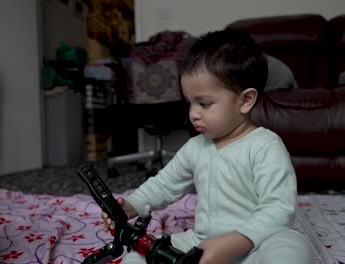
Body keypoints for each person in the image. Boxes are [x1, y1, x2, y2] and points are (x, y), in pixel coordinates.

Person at [102, 29, 314, 264]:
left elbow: (278, 209)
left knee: (291, 246)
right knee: (141, 256)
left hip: (257, 246)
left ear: (245, 100)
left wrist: (235, 242)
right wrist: (131, 206)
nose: (193, 114)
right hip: (202, 244)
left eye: (204, 103)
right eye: (190, 103)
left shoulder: (265, 146)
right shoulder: (195, 147)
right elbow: (164, 185)